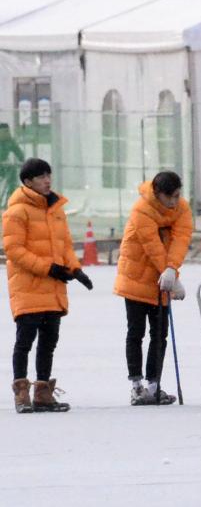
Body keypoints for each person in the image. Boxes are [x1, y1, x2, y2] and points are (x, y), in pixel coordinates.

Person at [4, 158, 93, 413]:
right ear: (28, 181)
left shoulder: (55, 209)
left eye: (48, 175)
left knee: (48, 341)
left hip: (53, 288)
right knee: (25, 341)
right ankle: (22, 392)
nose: (47, 180)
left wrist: (75, 269)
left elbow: (64, 245)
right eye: (41, 177)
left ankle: (43, 392)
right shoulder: (17, 211)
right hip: (28, 286)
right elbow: (14, 250)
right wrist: (48, 268)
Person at [114, 171, 192, 406]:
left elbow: (181, 239)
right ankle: (137, 386)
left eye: (178, 196)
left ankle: (154, 385)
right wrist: (169, 273)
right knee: (136, 332)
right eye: (170, 197)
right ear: (158, 194)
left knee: (160, 334)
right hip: (136, 278)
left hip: (162, 279)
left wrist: (172, 270)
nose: (174, 202)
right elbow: (152, 246)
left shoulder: (182, 209)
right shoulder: (141, 209)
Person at [0, 122, 25, 207]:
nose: (7, 134)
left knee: (12, 173)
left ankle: (10, 198)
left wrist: (23, 161)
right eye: (4, 132)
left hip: (3, 166)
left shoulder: (10, 141)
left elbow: (18, 152)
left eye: (8, 131)